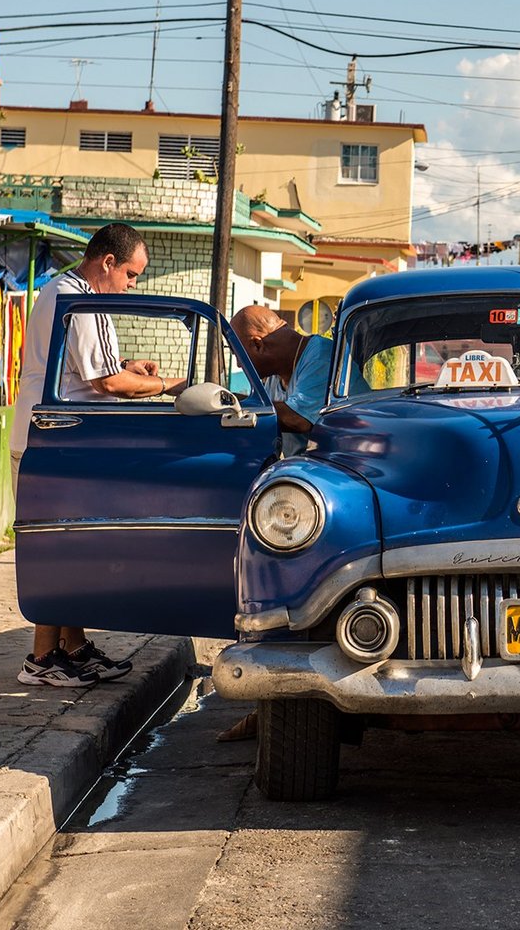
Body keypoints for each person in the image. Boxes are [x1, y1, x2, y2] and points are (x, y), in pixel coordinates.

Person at [12, 223, 187, 688]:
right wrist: (172, 386)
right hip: (56, 441)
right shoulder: (78, 301)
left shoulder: (71, 294)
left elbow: (94, 370)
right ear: (108, 262)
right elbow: (105, 384)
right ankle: (42, 658)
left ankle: (72, 647)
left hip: (62, 440)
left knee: (74, 548)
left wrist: (128, 366)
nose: (133, 285)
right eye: (131, 274)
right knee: (58, 548)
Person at [216, 305, 337, 742]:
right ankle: (270, 709)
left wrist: (242, 403)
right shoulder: (274, 373)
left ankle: (286, 709)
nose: (247, 369)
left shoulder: (320, 354)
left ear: (257, 345)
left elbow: (303, 420)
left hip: (330, 498)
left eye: (245, 359)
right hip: (295, 500)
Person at [229, 305, 335, 456]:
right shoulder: (274, 375)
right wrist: (223, 399)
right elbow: (262, 407)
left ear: (258, 345)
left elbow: (298, 419)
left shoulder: (321, 357)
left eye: (238, 355)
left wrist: (230, 406)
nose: (239, 365)